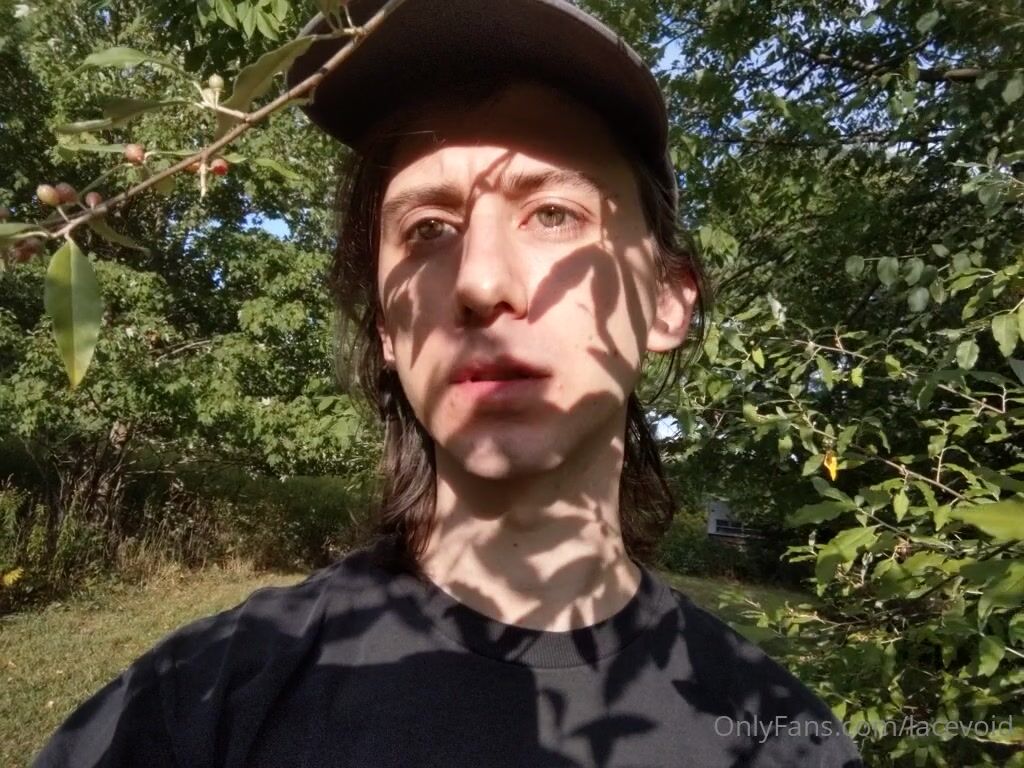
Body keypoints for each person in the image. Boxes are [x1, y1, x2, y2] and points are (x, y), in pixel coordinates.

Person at [33, 1, 865, 766]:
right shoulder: (195, 706)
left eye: (553, 214)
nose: (480, 281)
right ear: (386, 329)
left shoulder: (786, 743)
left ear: (667, 300)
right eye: (429, 229)